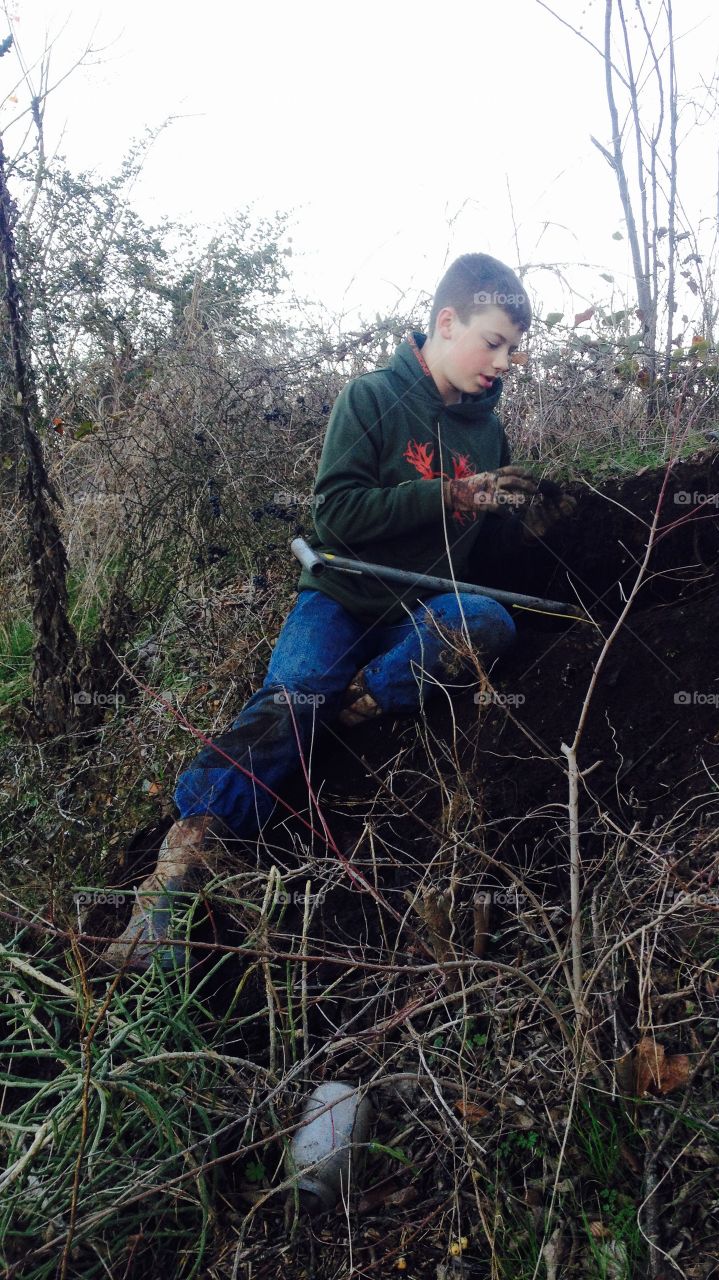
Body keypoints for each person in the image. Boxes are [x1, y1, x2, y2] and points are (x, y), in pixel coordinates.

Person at [102, 253, 575, 971]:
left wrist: (525, 523)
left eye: (514, 349)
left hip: (418, 609)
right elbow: (339, 515)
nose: (504, 362)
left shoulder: (488, 432)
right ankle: (173, 880)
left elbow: (475, 559)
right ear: (447, 322)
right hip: (343, 595)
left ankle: (362, 697)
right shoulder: (370, 398)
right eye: (494, 341)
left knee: (490, 623)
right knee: (290, 696)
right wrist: (447, 495)